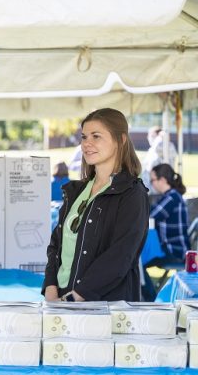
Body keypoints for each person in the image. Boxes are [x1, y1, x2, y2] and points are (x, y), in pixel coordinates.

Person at [43, 108, 149, 302]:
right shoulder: (75, 191)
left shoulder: (133, 193)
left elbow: (120, 256)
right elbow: (56, 246)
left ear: (121, 140)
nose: (86, 144)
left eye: (96, 136)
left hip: (105, 310)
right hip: (61, 302)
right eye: (84, 137)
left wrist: (75, 298)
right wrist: (50, 289)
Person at [146, 163, 190, 267]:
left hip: (175, 252)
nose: (151, 184)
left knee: (134, 262)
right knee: (135, 260)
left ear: (163, 180)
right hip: (172, 249)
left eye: (152, 180)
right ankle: (145, 284)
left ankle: (147, 284)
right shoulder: (170, 196)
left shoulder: (172, 197)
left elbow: (150, 216)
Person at [142, 126, 178, 191]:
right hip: (149, 187)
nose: (149, 138)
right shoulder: (152, 149)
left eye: (151, 135)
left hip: (159, 187)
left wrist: (161, 138)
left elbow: (159, 147)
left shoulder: (166, 146)